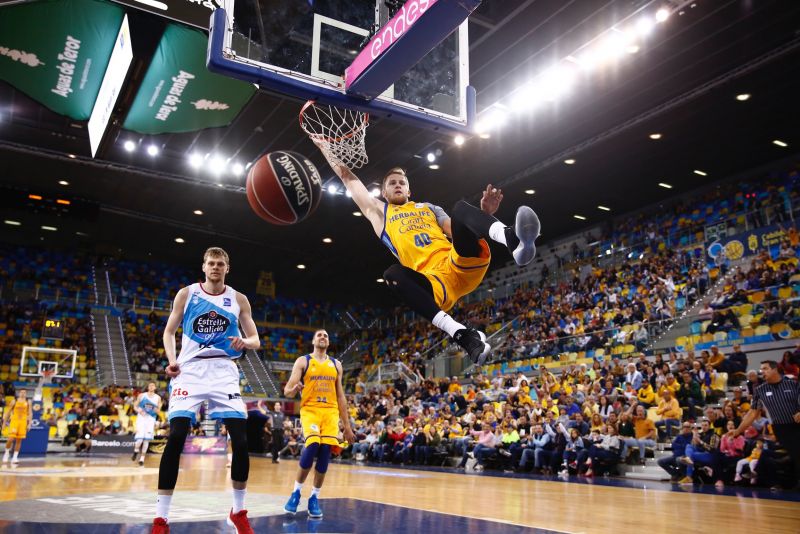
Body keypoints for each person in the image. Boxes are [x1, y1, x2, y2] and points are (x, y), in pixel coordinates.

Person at [315, 152, 540, 364]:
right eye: (392, 183)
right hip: (434, 283)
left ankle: (513, 240)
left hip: (458, 263)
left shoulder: (429, 209)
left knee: (461, 208)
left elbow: (456, 230)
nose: (397, 185)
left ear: (409, 190)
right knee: (392, 274)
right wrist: (324, 146)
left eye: (401, 182)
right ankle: (462, 335)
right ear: (383, 193)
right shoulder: (380, 214)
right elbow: (347, 177)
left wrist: (483, 216)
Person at [151, 247, 260, 534]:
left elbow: (256, 339)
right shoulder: (187, 294)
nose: (215, 267)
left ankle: (238, 512)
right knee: (175, 436)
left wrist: (246, 343)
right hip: (191, 371)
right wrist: (172, 361)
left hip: (224, 371)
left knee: (240, 438)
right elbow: (168, 331)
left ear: (227, 268)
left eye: (220, 263)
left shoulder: (238, 299)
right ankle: (161, 519)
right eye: (211, 263)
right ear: (203, 267)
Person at [283, 329, 356, 519]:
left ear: (329, 343)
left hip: (330, 412)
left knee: (325, 450)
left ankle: (314, 497)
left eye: (326, 335)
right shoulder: (303, 361)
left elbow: (341, 397)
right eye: (319, 335)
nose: (323, 337)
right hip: (310, 410)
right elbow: (287, 392)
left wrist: (347, 427)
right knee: (313, 444)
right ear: (314, 341)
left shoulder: (336, 364)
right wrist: (295, 387)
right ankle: (296, 493)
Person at [731, 360, 800, 490]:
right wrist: (738, 431)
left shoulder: (794, 384)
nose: (762, 371)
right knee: (789, 456)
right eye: (761, 369)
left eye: (765, 368)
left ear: (775, 369)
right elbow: (752, 413)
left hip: (797, 425)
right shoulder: (760, 390)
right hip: (781, 428)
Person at [133, 382, 162, 467]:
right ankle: (136, 450)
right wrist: (139, 410)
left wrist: (155, 409)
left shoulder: (158, 398)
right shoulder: (142, 395)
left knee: (146, 440)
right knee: (139, 440)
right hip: (141, 418)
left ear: (155, 387)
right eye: (150, 385)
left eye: (153, 385)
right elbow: (135, 406)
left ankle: (142, 459)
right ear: (148, 387)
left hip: (151, 419)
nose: (151, 386)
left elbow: (159, 410)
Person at [2, 389, 31, 464]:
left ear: (26, 394)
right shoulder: (14, 401)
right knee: (10, 439)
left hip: (23, 422)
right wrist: (4, 423)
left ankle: (15, 457)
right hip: (14, 421)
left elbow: (30, 413)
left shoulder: (28, 402)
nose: (23, 393)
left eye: (24, 392)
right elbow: (8, 412)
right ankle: (7, 453)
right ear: (19, 393)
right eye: (21, 392)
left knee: (19, 440)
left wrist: (29, 423)